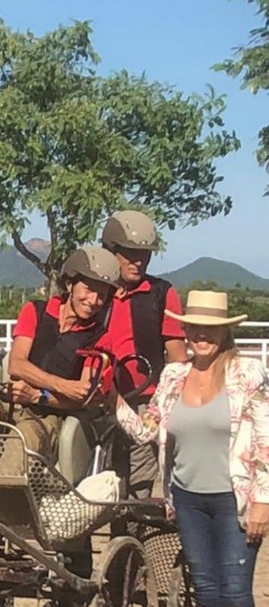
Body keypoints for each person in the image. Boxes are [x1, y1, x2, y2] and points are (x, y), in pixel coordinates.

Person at [113, 289, 268, 607]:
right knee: (204, 589)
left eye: (209, 329)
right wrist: (113, 402)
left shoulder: (247, 374)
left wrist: (263, 500)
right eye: (193, 328)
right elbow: (148, 431)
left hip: (234, 500)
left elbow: (265, 440)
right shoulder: (174, 377)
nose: (200, 336)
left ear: (225, 331)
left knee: (236, 591)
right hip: (187, 498)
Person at [0, 246, 121, 458]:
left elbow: (83, 397)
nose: (93, 301)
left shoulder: (100, 337)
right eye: (88, 289)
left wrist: (38, 396)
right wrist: (63, 385)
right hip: (11, 405)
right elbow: (16, 364)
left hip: (50, 420)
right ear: (69, 284)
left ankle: (4, 487)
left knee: (27, 436)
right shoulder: (35, 311)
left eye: (101, 295)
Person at [101, 210, 188, 498]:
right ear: (111, 251)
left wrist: (167, 404)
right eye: (129, 253)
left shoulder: (161, 293)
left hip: (144, 404)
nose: (138, 261)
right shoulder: (95, 293)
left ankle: (133, 539)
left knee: (140, 482)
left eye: (145, 254)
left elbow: (177, 356)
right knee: (98, 478)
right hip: (97, 401)